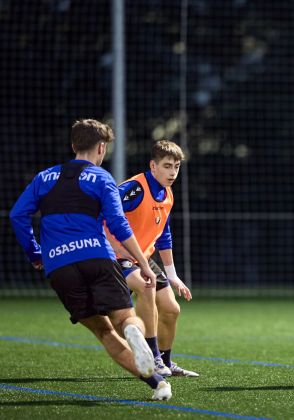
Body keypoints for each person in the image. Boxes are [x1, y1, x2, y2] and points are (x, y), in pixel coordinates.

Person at [9, 119, 172, 400]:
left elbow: (17, 216)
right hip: (97, 257)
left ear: (74, 146)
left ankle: (157, 383)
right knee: (126, 319)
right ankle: (136, 337)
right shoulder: (101, 177)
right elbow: (119, 224)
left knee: (104, 332)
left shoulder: (44, 178)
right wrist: (144, 264)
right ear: (101, 147)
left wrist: (36, 253)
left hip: (59, 266)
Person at [105, 140, 198, 377]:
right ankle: (153, 357)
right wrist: (115, 246)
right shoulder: (134, 188)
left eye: (176, 166)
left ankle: (166, 362)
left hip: (143, 257)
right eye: (167, 166)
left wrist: (173, 276)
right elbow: (102, 212)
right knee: (147, 285)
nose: (173, 172)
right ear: (153, 166)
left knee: (171, 309)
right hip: (115, 255)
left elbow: (163, 235)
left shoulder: (167, 193)